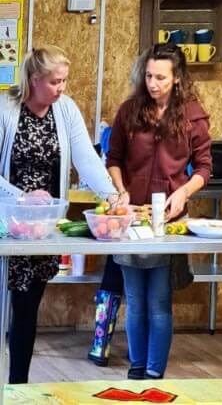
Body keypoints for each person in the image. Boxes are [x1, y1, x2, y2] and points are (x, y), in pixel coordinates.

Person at [0, 46, 119, 383]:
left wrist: (111, 195)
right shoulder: (5, 109)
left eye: (64, 80)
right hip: (6, 224)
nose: (62, 88)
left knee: (26, 309)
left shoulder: (64, 110)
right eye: (55, 82)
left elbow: (85, 159)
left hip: (41, 230)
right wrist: (21, 197)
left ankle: (17, 387)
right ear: (34, 80)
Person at [106, 44, 211, 380]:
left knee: (159, 302)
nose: (153, 83)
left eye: (161, 78)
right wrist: (119, 192)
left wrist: (183, 192)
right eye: (149, 76)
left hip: (169, 221)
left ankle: (155, 372)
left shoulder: (193, 115)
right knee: (135, 299)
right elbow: (114, 160)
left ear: (177, 79)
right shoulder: (129, 111)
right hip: (131, 218)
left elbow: (204, 168)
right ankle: (137, 369)